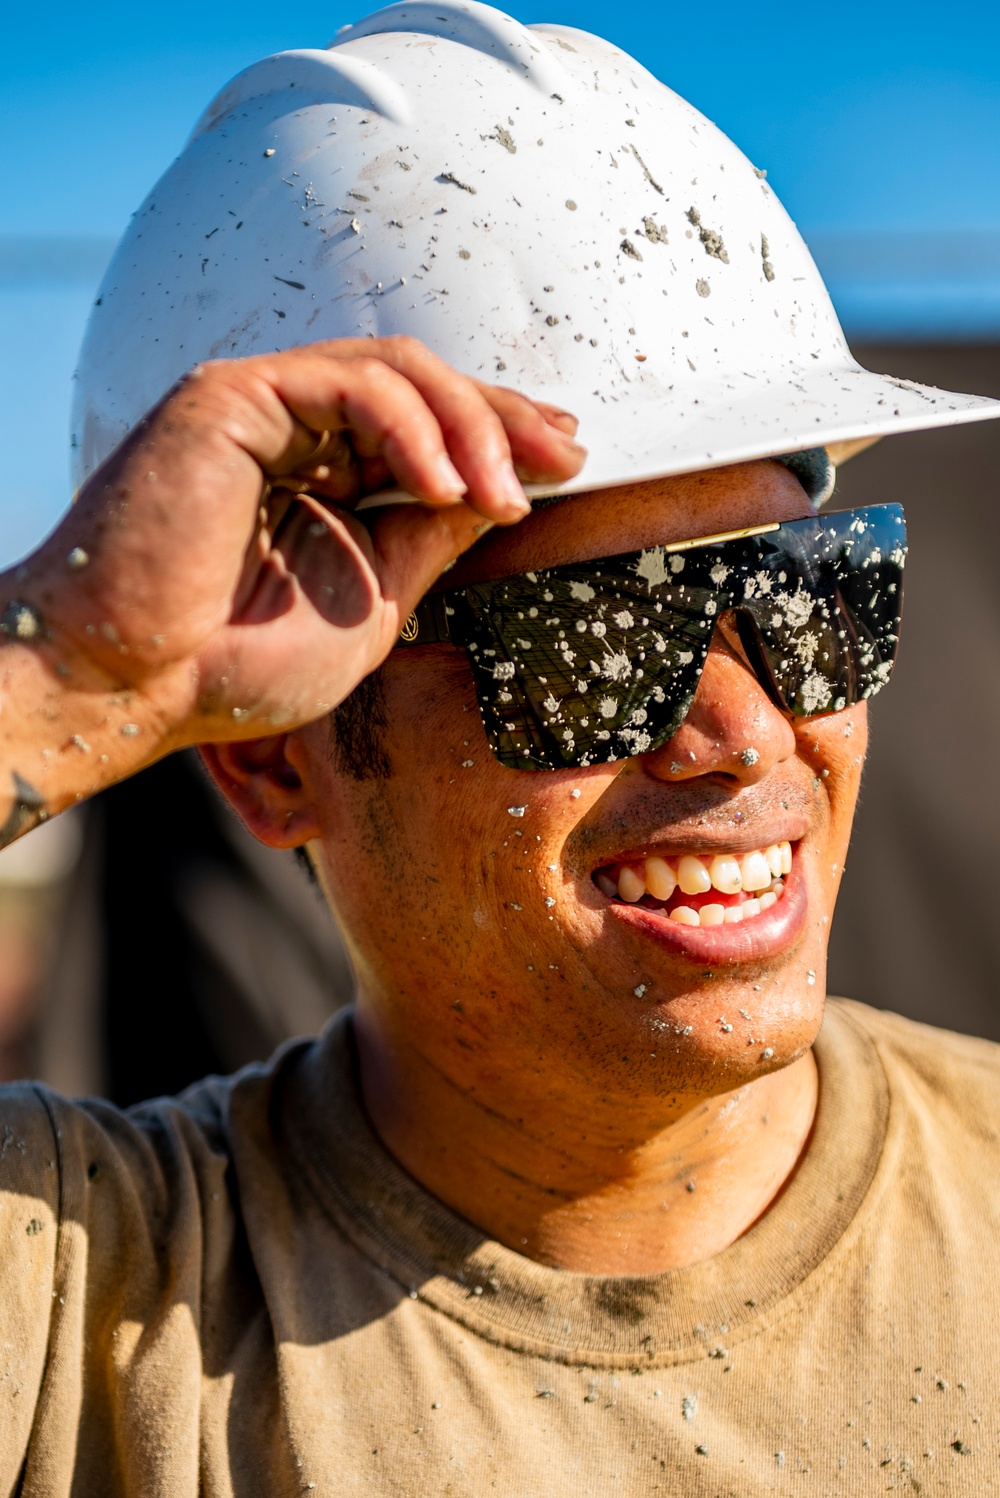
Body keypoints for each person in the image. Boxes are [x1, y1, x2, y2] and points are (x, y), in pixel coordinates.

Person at [2, 3, 999, 1491]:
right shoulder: (92, 1307)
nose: (742, 733)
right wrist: (71, 677)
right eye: (589, 641)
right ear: (274, 759)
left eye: (809, 593)